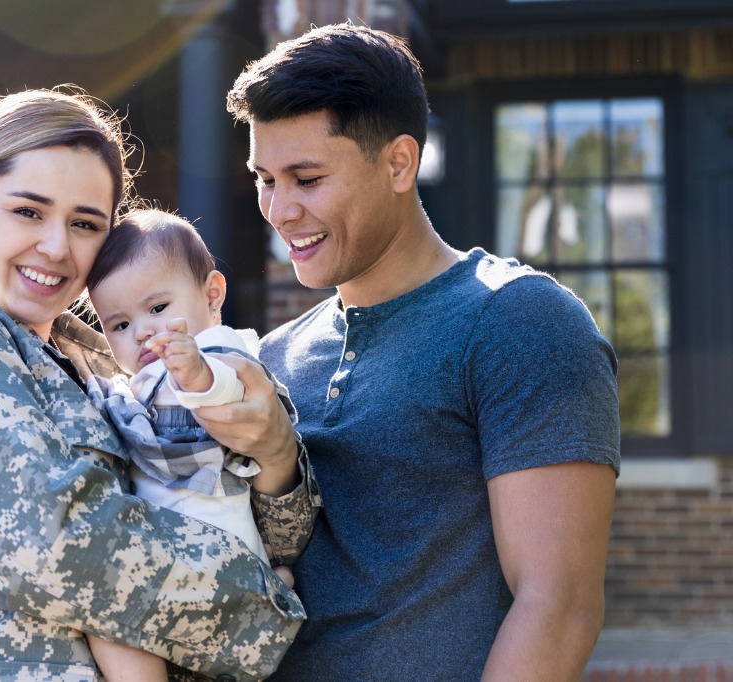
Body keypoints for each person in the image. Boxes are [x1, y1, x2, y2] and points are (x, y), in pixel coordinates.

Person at [0, 87, 320, 682]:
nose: (56, 247)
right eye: (28, 211)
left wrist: (277, 453)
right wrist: (262, 605)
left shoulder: (112, 361)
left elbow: (280, 537)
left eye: (84, 224)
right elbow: (55, 547)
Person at [222, 23, 621, 680]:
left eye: (307, 178)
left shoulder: (518, 320)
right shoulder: (275, 357)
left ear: (399, 163)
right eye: (265, 178)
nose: (280, 209)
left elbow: (560, 605)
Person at [80, 208, 299, 681]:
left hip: (214, 552)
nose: (142, 331)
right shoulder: (132, 384)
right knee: (108, 619)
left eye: (157, 309)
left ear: (212, 294)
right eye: (119, 324)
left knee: (106, 611)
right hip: (174, 565)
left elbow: (229, 389)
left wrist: (194, 372)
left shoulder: (218, 348)